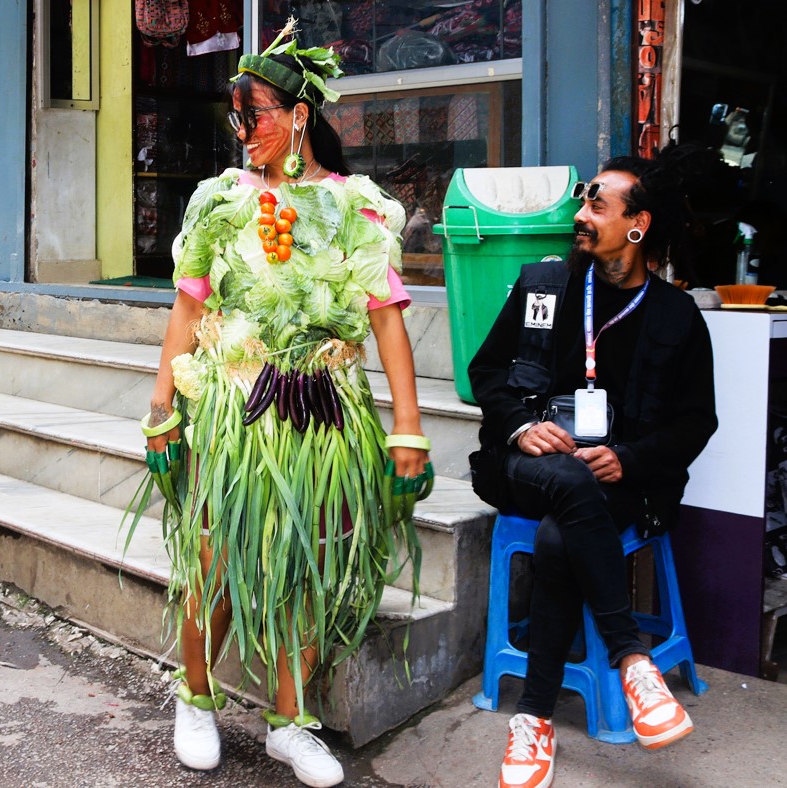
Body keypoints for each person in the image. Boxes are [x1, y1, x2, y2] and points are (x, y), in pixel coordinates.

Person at [136, 26, 429, 786]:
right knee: (219, 561)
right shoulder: (223, 202)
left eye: (256, 115)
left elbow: (386, 317)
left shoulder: (356, 208)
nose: (245, 133)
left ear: (300, 115)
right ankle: (195, 698)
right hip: (239, 405)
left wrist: (408, 427)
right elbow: (185, 310)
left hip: (327, 411)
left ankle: (288, 722)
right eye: (236, 119)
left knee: (311, 562)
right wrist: (162, 405)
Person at [467, 151, 718, 788]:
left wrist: (628, 457)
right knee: (567, 484)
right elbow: (486, 373)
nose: (580, 215)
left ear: (638, 225)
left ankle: (534, 722)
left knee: (559, 538)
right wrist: (522, 428)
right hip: (526, 466)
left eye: (596, 206)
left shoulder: (676, 316)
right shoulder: (543, 286)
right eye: (583, 202)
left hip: (620, 483)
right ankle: (632, 657)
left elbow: (696, 422)